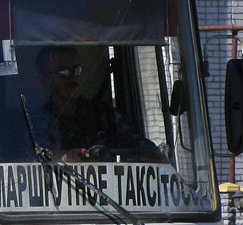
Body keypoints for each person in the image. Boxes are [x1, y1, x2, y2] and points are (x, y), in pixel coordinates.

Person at [34, 46, 163, 162]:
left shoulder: (105, 115)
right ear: (45, 79)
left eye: (77, 70)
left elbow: (143, 147)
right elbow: (29, 159)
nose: (72, 78)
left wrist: (157, 157)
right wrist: (64, 157)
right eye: (64, 73)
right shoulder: (37, 123)